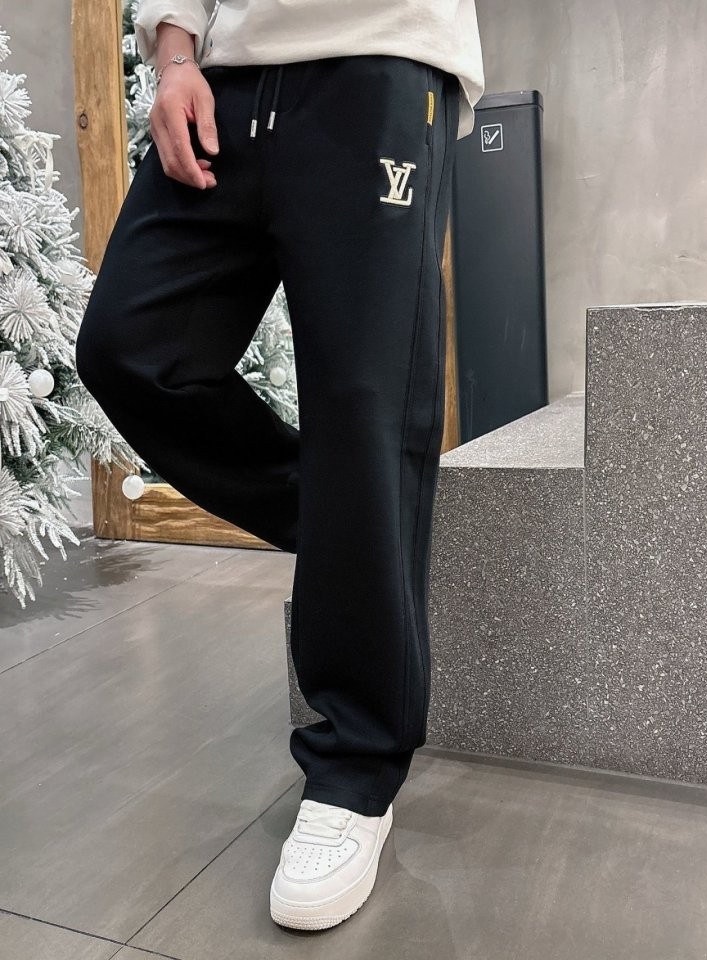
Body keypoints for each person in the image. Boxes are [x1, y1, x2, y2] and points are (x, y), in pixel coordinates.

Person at [75, 0, 484, 932]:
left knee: (363, 405)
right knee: (132, 349)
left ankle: (355, 775)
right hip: (225, 81)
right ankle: (362, 525)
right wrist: (174, 55)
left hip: (376, 62)